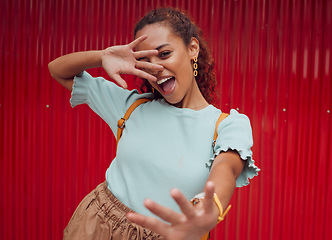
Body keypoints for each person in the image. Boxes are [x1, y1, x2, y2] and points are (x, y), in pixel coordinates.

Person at [48, 7, 259, 240]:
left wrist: (206, 209)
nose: (155, 67)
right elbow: (58, 70)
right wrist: (102, 56)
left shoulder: (226, 125)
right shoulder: (131, 106)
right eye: (144, 60)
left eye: (164, 54)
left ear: (192, 49)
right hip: (96, 227)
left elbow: (226, 169)